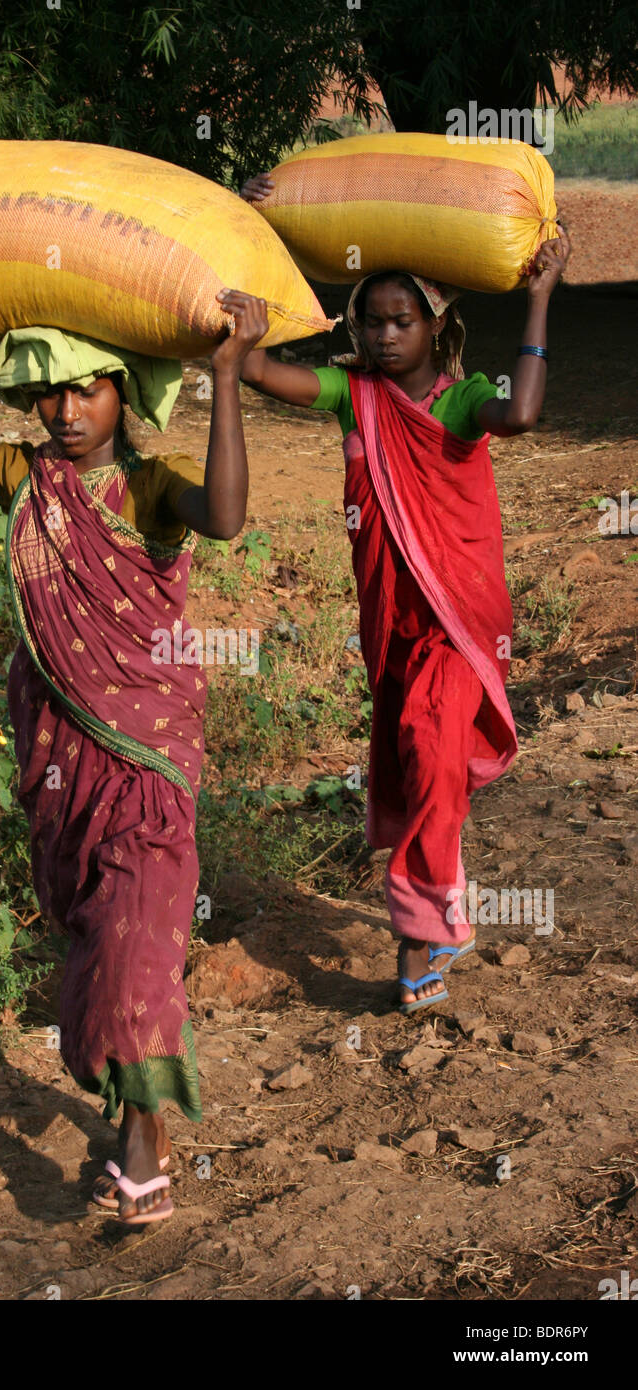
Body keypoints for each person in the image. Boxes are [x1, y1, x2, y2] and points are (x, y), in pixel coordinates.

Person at [0, 223, 269, 1221]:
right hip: (61, 770)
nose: (65, 410)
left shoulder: (154, 489)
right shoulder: (19, 478)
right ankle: (139, 1108)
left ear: (127, 389)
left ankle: (142, 1137)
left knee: (135, 940)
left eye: (86, 387)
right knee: (93, 946)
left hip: (149, 760)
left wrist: (225, 376)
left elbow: (225, 515)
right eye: (48, 390)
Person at [239, 173, 571, 1013]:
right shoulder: (355, 398)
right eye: (370, 322)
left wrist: (539, 299)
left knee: (428, 754)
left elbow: (523, 414)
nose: (385, 337)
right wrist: (256, 232)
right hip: (392, 623)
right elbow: (255, 370)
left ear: (436, 325)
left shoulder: (460, 401)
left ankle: (418, 934)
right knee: (416, 762)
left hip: (460, 620)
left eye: (402, 321)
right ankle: (441, 897)